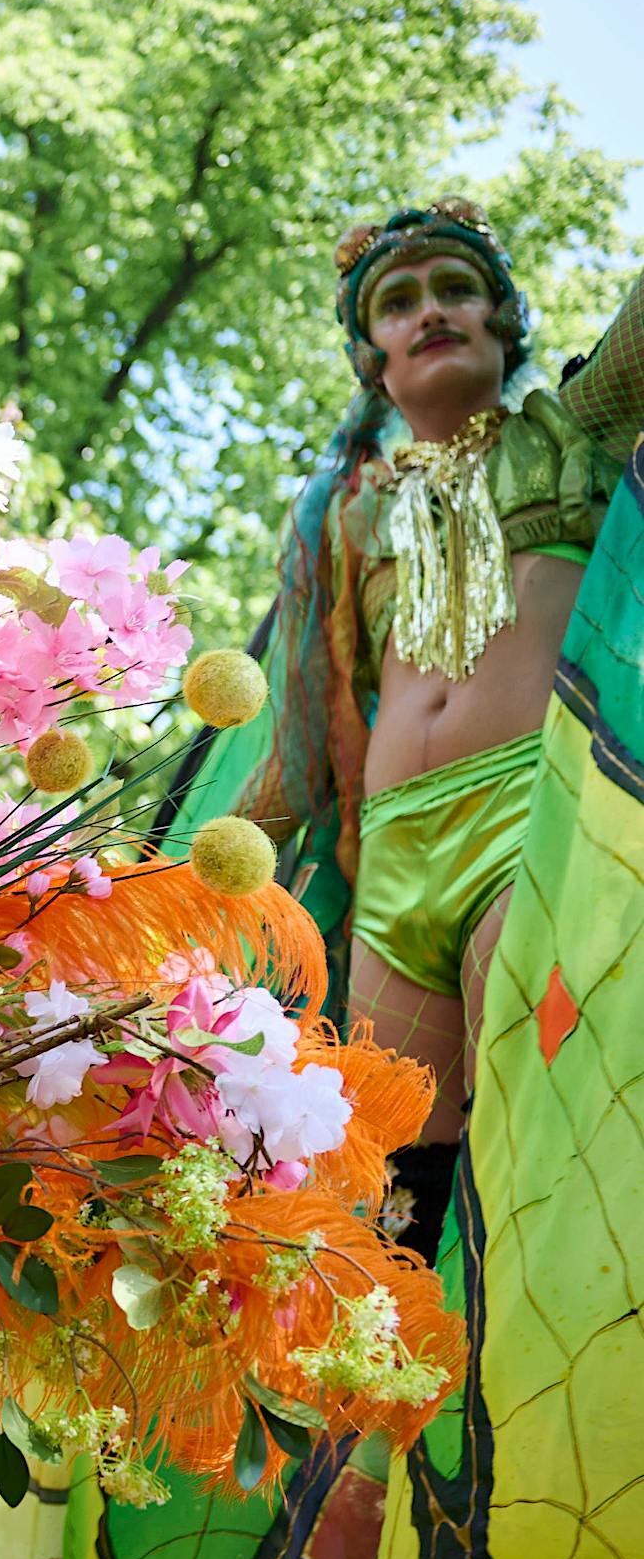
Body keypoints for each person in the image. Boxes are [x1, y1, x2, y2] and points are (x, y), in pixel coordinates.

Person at [239, 197, 644, 1248]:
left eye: (457, 289)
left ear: (504, 324)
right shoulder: (341, 515)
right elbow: (293, 761)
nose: (430, 310)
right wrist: (159, 888)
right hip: (388, 862)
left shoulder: (575, 425)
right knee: (384, 1188)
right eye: (397, 300)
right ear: (368, 356)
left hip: (537, 818)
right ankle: (402, 1408)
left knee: (537, 1142)